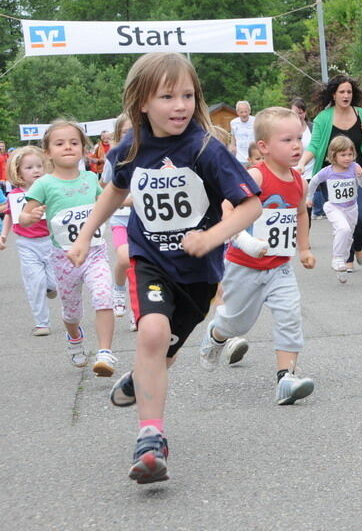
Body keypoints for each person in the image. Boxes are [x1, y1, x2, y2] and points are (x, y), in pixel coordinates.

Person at [67, 52, 262, 485]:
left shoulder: (206, 147)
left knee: (163, 353)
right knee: (152, 334)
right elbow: (114, 192)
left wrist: (212, 237)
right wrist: (85, 236)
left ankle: (141, 378)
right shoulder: (131, 147)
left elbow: (251, 204)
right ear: (142, 102)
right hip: (149, 260)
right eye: (167, 96)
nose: (180, 105)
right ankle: (150, 439)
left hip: (200, 273)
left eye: (188, 95)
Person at [198, 106, 316, 405]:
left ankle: (286, 379)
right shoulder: (255, 176)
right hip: (244, 265)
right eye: (287, 140)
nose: (296, 146)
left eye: (299, 139)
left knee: (290, 317)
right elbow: (227, 208)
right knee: (236, 325)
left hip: (279, 266)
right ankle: (216, 335)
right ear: (263, 147)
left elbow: (301, 213)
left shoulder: (299, 180)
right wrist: (244, 238)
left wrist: (304, 248)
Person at [21, 120, 117, 375]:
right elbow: (24, 215)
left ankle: (105, 353)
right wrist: (29, 217)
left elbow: (107, 201)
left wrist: (134, 200)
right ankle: (74, 337)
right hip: (64, 258)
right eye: (59, 143)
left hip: (95, 252)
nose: (67, 148)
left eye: (74, 143)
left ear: (84, 149)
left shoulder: (89, 178)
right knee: (72, 312)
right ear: (48, 152)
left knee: (103, 295)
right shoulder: (44, 184)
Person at [300, 75, 362, 270]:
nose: (346, 95)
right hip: (333, 177)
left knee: (361, 218)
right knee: (344, 220)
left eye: (349, 92)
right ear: (334, 94)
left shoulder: (361, 114)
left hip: (357, 173)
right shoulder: (323, 118)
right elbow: (315, 145)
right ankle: (348, 258)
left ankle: (358, 245)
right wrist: (302, 163)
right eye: (342, 92)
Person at [0, 145, 57, 336]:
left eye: (39, 166)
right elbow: (9, 215)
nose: (36, 170)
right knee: (36, 282)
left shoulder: (49, 190)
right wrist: (3, 235)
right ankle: (42, 322)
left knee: (55, 282)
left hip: (50, 241)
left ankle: (51, 287)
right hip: (27, 244)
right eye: (30, 167)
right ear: (19, 172)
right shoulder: (15, 195)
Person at [307, 136, 362, 283]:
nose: (347, 158)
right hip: (334, 207)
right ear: (333, 155)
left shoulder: (355, 167)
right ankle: (337, 259)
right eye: (343, 155)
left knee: (348, 238)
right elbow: (314, 181)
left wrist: (360, 176)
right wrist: (308, 197)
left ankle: (341, 267)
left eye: (350, 154)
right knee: (343, 229)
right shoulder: (327, 171)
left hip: (351, 208)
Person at [102, 115, 137, 329]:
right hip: (120, 217)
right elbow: (105, 187)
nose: (132, 136)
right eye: (126, 132)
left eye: (136, 130)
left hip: (143, 220)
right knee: (124, 258)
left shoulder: (152, 155)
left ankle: (138, 311)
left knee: (139, 265)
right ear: (118, 136)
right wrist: (124, 200)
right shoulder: (113, 158)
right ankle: (118, 290)